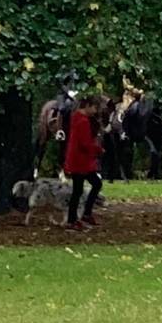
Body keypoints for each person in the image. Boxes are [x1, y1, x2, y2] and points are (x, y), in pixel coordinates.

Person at [61, 93, 108, 230]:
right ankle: (73, 219)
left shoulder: (78, 118)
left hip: (80, 161)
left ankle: (83, 214)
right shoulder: (83, 121)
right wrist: (98, 149)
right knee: (79, 190)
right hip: (80, 161)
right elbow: (84, 143)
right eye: (94, 108)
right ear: (87, 106)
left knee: (91, 185)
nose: (95, 112)